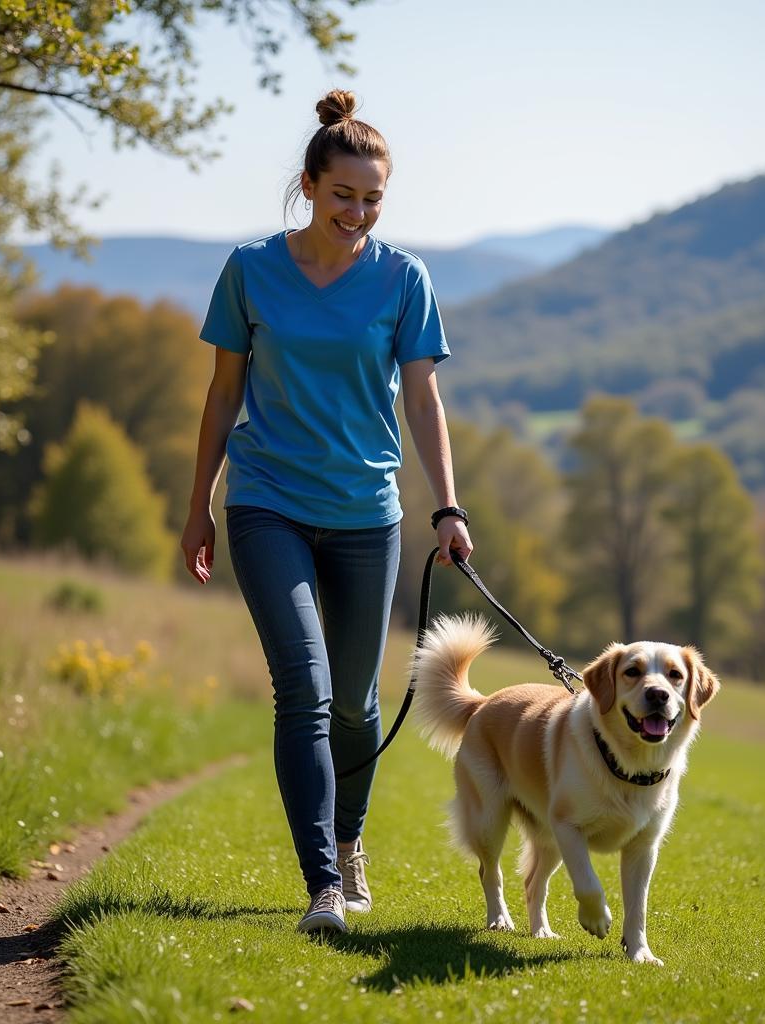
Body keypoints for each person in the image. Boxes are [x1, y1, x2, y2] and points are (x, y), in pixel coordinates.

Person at [180, 89, 473, 936]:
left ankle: (350, 843)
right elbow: (221, 393)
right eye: (344, 194)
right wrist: (198, 506)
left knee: (355, 701)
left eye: (373, 198)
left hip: (366, 514)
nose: (358, 212)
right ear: (309, 185)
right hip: (267, 501)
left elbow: (423, 400)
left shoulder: (402, 277)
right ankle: (321, 889)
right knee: (303, 689)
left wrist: (447, 505)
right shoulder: (251, 270)